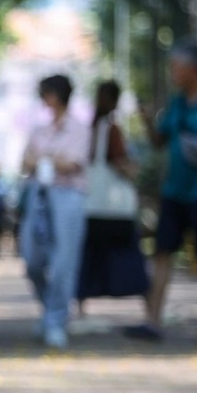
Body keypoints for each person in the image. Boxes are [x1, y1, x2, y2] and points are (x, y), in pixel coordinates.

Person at [125, 42, 197, 342]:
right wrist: (147, 119)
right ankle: (153, 321)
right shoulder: (176, 103)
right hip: (173, 193)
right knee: (163, 253)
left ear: (192, 70)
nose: (171, 72)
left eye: (176, 67)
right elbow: (159, 141)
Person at [19, 75, 88, 349]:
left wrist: (43, 159)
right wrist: (49, 160)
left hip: (69, 196)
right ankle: (51, 311)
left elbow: (73, 163)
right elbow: (26, 161)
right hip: (39, 195)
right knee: (32, 259)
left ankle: (56, 321)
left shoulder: (79, 129)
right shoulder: (40, 129)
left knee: (63, 263)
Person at [76, 80, 150, 304]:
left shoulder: (90, 128)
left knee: (89, 259)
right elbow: (120, 163)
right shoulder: (110, 128)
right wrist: (133, 170)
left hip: (92, 205)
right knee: (132, 261)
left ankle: (80, 308)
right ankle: (150, 310)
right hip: (112, 210)